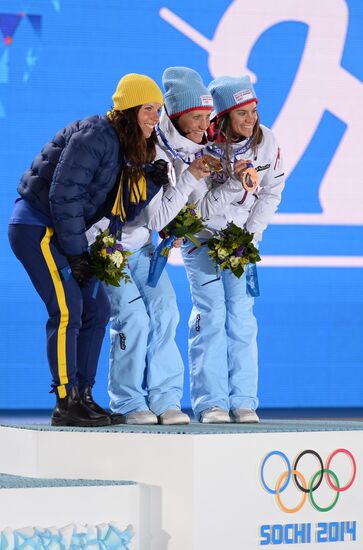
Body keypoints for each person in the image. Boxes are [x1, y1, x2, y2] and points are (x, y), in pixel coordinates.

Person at [8, 73, 166, 427]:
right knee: (68, 308)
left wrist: (152, 184)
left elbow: (119, 209)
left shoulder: (127, 145)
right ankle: (65, 402)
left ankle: (84, 395)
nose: (155, 118)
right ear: (128, 109)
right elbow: (63, 197)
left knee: (98, 307)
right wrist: (79, 254)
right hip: (37, 227)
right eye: (149, 109)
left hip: (66, 232)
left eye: (158, 110)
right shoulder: (96, 136)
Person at [88, 68, 217, 425]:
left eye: (207, 117)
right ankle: (128, 401)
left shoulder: (191, 150)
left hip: (144, 248)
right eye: (197, 116)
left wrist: (183, 217)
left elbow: (182, 208)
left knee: (166, 313)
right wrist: (187, 182)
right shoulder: (150, 145)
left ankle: (165, 398)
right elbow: (156, 213)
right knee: (133, 319)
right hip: (109, 247)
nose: (205, 125)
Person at [181, 75, 285, 423]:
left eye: (254, 111)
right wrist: (231, 184)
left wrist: (251, 235)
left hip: (241, 241)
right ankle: (211, 402)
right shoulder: (200, 147)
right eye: (242, 113)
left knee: (241, 317)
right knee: (211, 315)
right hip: (204, 237)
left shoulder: (267, 141)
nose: (251, 119)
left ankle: (243, 401)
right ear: (223, 116)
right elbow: (200, 211)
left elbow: (271, 191)